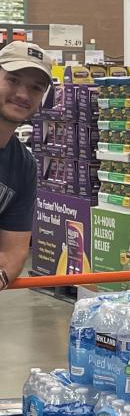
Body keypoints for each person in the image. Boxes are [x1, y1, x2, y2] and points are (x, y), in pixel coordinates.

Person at [0, 41, 51, 291]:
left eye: (35, 88)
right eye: (13, 80)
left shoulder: (23, 167)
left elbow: (13, 253)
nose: (22, 94)